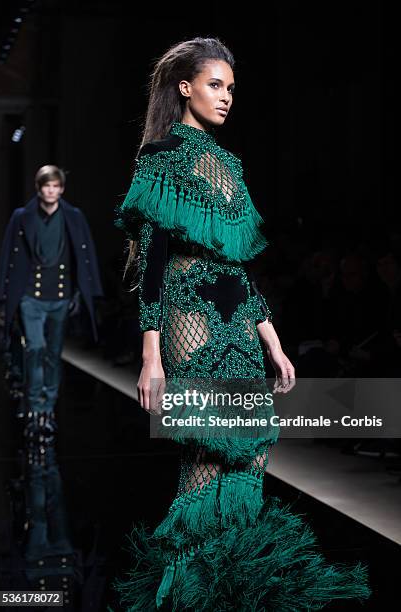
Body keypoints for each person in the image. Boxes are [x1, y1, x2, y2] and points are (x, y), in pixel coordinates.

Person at [113, 38, 371, 610]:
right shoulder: (161, 157)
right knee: (209, 452)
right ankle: (184, 594)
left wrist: (273, 342)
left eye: (230, 88)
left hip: (238, 322)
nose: (226, 97)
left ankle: (225, 589)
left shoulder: (229, 164)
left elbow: (238, 268)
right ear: (185, 87)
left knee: (252, 451)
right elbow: (153, 260)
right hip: (187, 318)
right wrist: (151, 354)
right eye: (214, 85)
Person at [0, 164, 103, 416]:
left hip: (60, 296)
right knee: (34, 347)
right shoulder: (22, 217)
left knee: (54, 352)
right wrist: (2, 293)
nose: (51, 191)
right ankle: (34, 403)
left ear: (62, 189)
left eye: (56, 186)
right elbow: (7, 255)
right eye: (47, 186)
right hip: (30, 295)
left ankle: (49, 405)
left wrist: (87, 289)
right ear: (39, 188)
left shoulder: (74, 217)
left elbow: (86, 254)